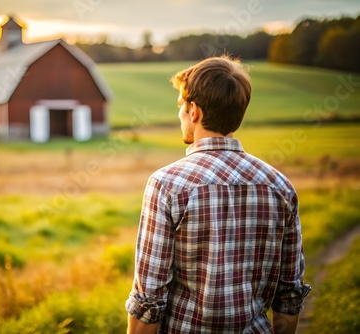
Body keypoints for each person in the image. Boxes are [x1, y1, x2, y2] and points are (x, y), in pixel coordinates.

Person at [125, 56, 310, 334]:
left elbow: (148, 299)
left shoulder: (166, 184)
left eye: (181, 107)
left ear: (194, 111)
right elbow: (288, 295)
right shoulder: (280, 186)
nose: (179, 115)